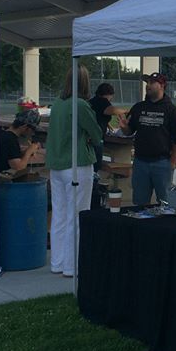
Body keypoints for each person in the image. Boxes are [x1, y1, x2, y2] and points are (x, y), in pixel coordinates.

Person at [46, 65, 102, 277]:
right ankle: (72, 266)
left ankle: (58, 262)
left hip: (57, 165)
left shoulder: (57, 104)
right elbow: (96, 134)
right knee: (77, 216)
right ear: (85, 82)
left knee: (59, 215)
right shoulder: (80, 105)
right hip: (77, 166)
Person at [123, 72, 176, 206]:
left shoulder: (172, 111)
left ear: (162, 86)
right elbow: (129, 131)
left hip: (162, 162)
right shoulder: (139, 107)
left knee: (165, 202)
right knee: (140, 203)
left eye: (152, 82)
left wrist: (172, 162)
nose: (148, 85)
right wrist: (124, 128)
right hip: (140, 162)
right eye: (147, 83)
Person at [88, 82, 127, 169]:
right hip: (97, 138)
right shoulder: (103, 101)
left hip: (88, 136)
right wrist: (125, 111)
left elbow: (98, 115)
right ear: (109, 94)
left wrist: (108, 124)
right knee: (96, 164)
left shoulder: (92, 101)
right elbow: (112, 110)